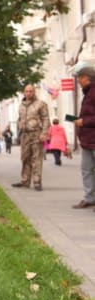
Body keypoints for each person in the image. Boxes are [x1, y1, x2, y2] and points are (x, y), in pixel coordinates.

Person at [12, 84, 50, 191]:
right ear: (24, 92)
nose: (28, 93)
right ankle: (25, 181)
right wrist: (20, 127)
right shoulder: (21, 105)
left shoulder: (41, 104)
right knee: (25, 158)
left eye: (31, 91)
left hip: (36, 134)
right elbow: (20, 119)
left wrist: (44, 133)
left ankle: (37, 182)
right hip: (25, 135)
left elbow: (46, 119)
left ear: (34, 92)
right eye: (26, 91)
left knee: (36, 158)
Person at [71, 65, 95, 209]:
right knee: (86, 169)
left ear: (86, 78)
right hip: (87, 139)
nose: (78, 81)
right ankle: (89, 198)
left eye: (79, 78)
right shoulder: (87, 93)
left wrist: (83, 121)